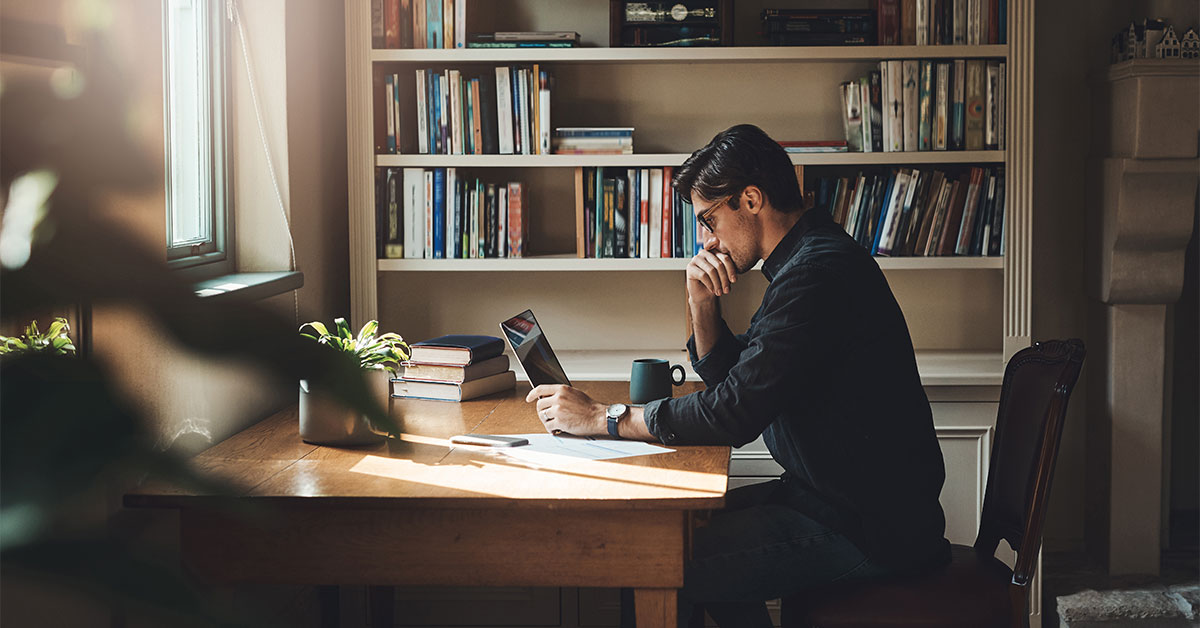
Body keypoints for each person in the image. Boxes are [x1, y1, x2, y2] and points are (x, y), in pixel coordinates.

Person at [525, 123, 951, 627]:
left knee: (654, 559)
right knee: (665, 535)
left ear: (750, 199)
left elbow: (733, 413)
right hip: (829, 500)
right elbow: (742, 382)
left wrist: (603, 416)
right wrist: (701, 306)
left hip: (867, 527)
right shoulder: (806, 260)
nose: (708, 240)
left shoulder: (814, 275)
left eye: (709, 220)